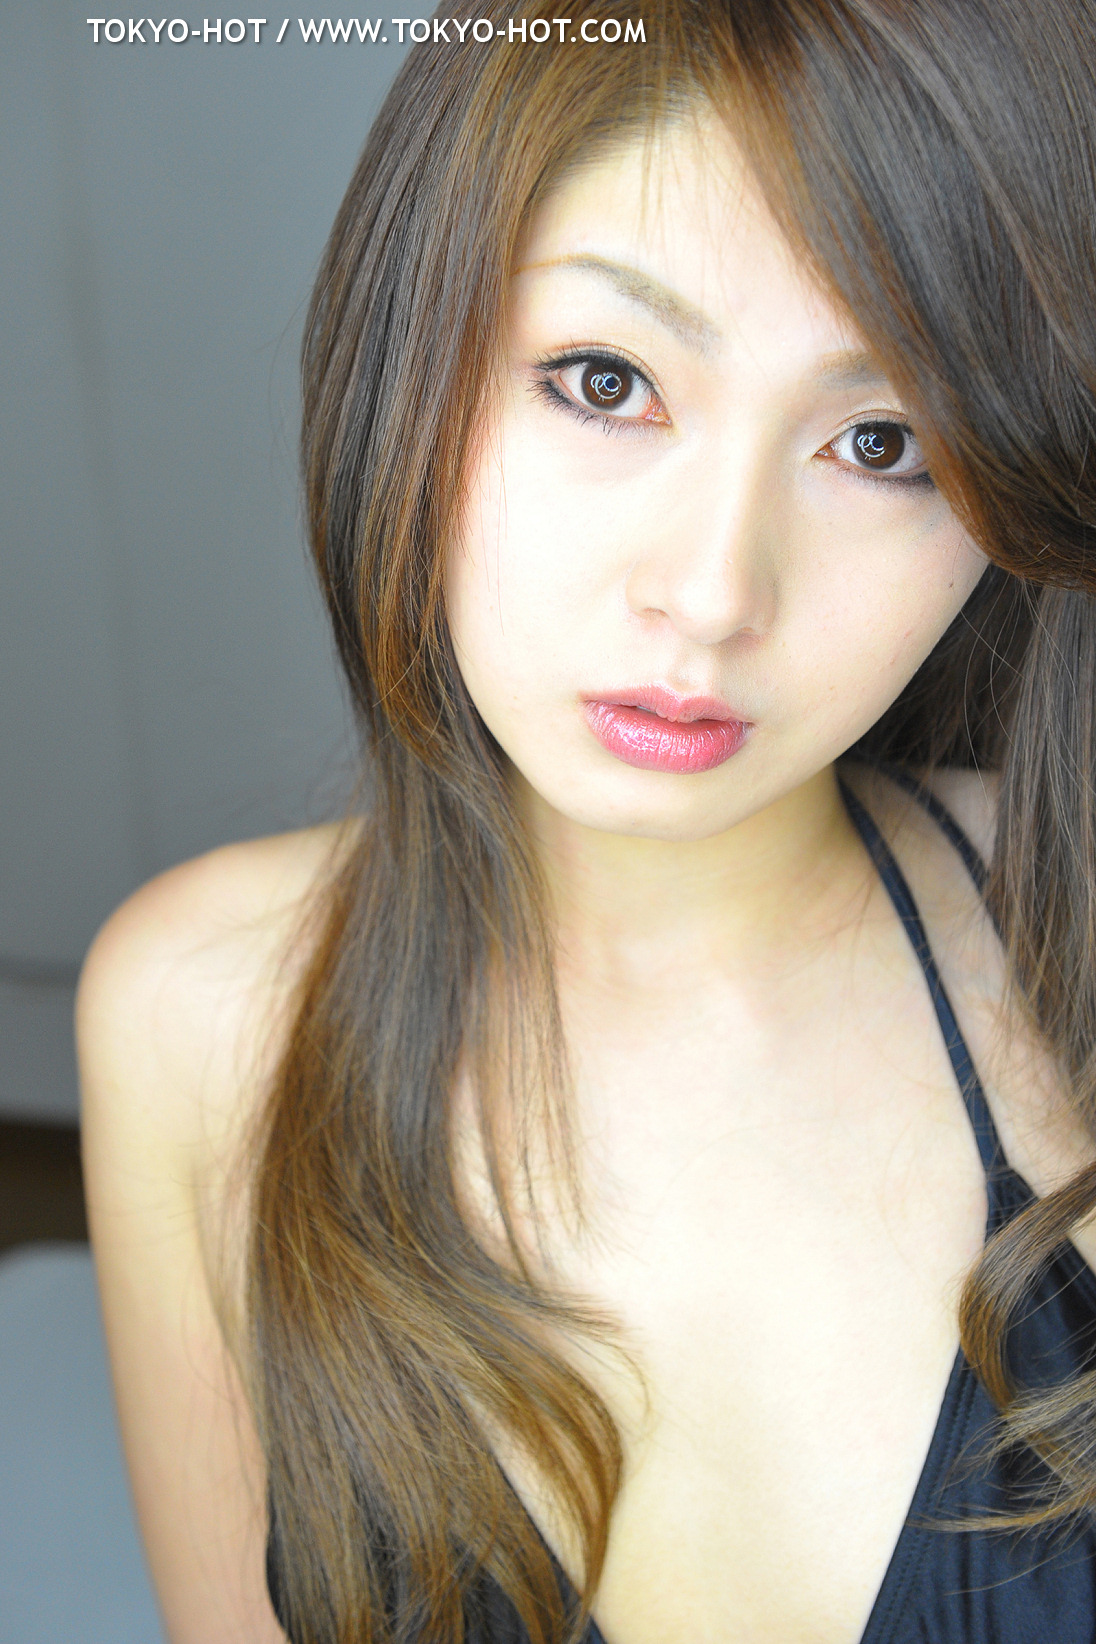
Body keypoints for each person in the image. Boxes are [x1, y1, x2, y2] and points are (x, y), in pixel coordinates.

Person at [76, 2, 1096, 1641]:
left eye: (882, 442)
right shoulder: (204, 1011)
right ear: (411, 355)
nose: (711, 593)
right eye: (605, 382)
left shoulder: (1065, 932)